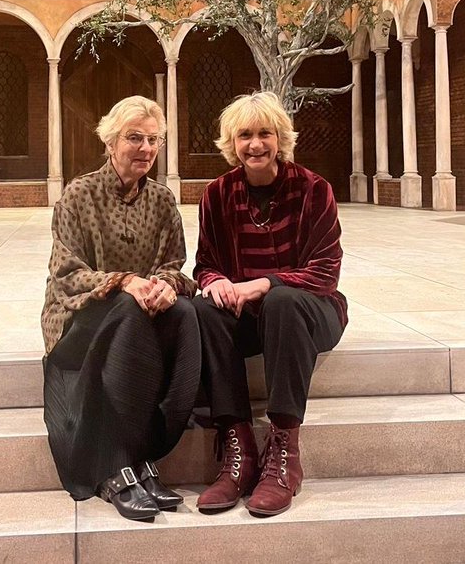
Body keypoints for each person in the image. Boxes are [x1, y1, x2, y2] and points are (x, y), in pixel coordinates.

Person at [41, 95, 200, 521]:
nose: (145, 148)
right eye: (134, 138)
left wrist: (164, 286)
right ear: (110, 142)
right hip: (78, 322)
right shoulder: (78, 195)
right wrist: (123, 282)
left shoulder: (163, 202)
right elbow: (66, 274)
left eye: (153, 140)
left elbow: (175, 265)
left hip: (140, 321)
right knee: (127, 311)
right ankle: (114, 463)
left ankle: (149, 449)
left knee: (186, 314)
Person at [192, 91, 347, 517]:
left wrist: (263, 283)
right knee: (203, 308)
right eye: (245, 135)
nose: (255, 144)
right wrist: (217, 280)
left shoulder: (315, 190)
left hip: (310, 311)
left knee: (281, 301)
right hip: (249, 318)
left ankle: (283, 453)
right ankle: (238, 447)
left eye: (265, 134)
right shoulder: (217, 195)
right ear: (232, 143)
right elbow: (204, 264)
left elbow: (325, 272)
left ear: (280, 138)